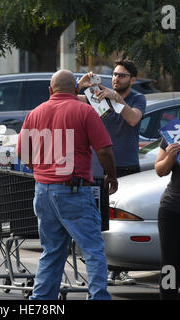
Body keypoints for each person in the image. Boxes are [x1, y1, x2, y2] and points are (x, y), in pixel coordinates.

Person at [16, 69, 118, 300]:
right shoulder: (84, 111)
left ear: (50, 90)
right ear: (75, 90)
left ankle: (41, 302)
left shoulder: (35, 113)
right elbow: (103, 150)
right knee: (92, 249)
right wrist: (111, 176)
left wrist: (40, 167)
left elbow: (23, 153)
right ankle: (98, 297)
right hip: (73, 190)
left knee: (52, 251)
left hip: (42, 191)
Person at [79, 59, 146, 285]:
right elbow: (67, 99)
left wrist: (116, 98)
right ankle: (105, 268)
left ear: (132, 80)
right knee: (101, 221)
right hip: (102, 168)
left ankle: (122, 270)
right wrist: (81, 84)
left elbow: (133, 118)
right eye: (115, 75)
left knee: (124, 222)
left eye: (122, 76)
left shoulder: (137, 98)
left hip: (127, 167)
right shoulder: (99, 95)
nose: (116, 79)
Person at [155, 140, 180, 299]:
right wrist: (170, 157)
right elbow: (160, 170)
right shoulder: (175, 134)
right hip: (172, 209)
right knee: (170, 263)